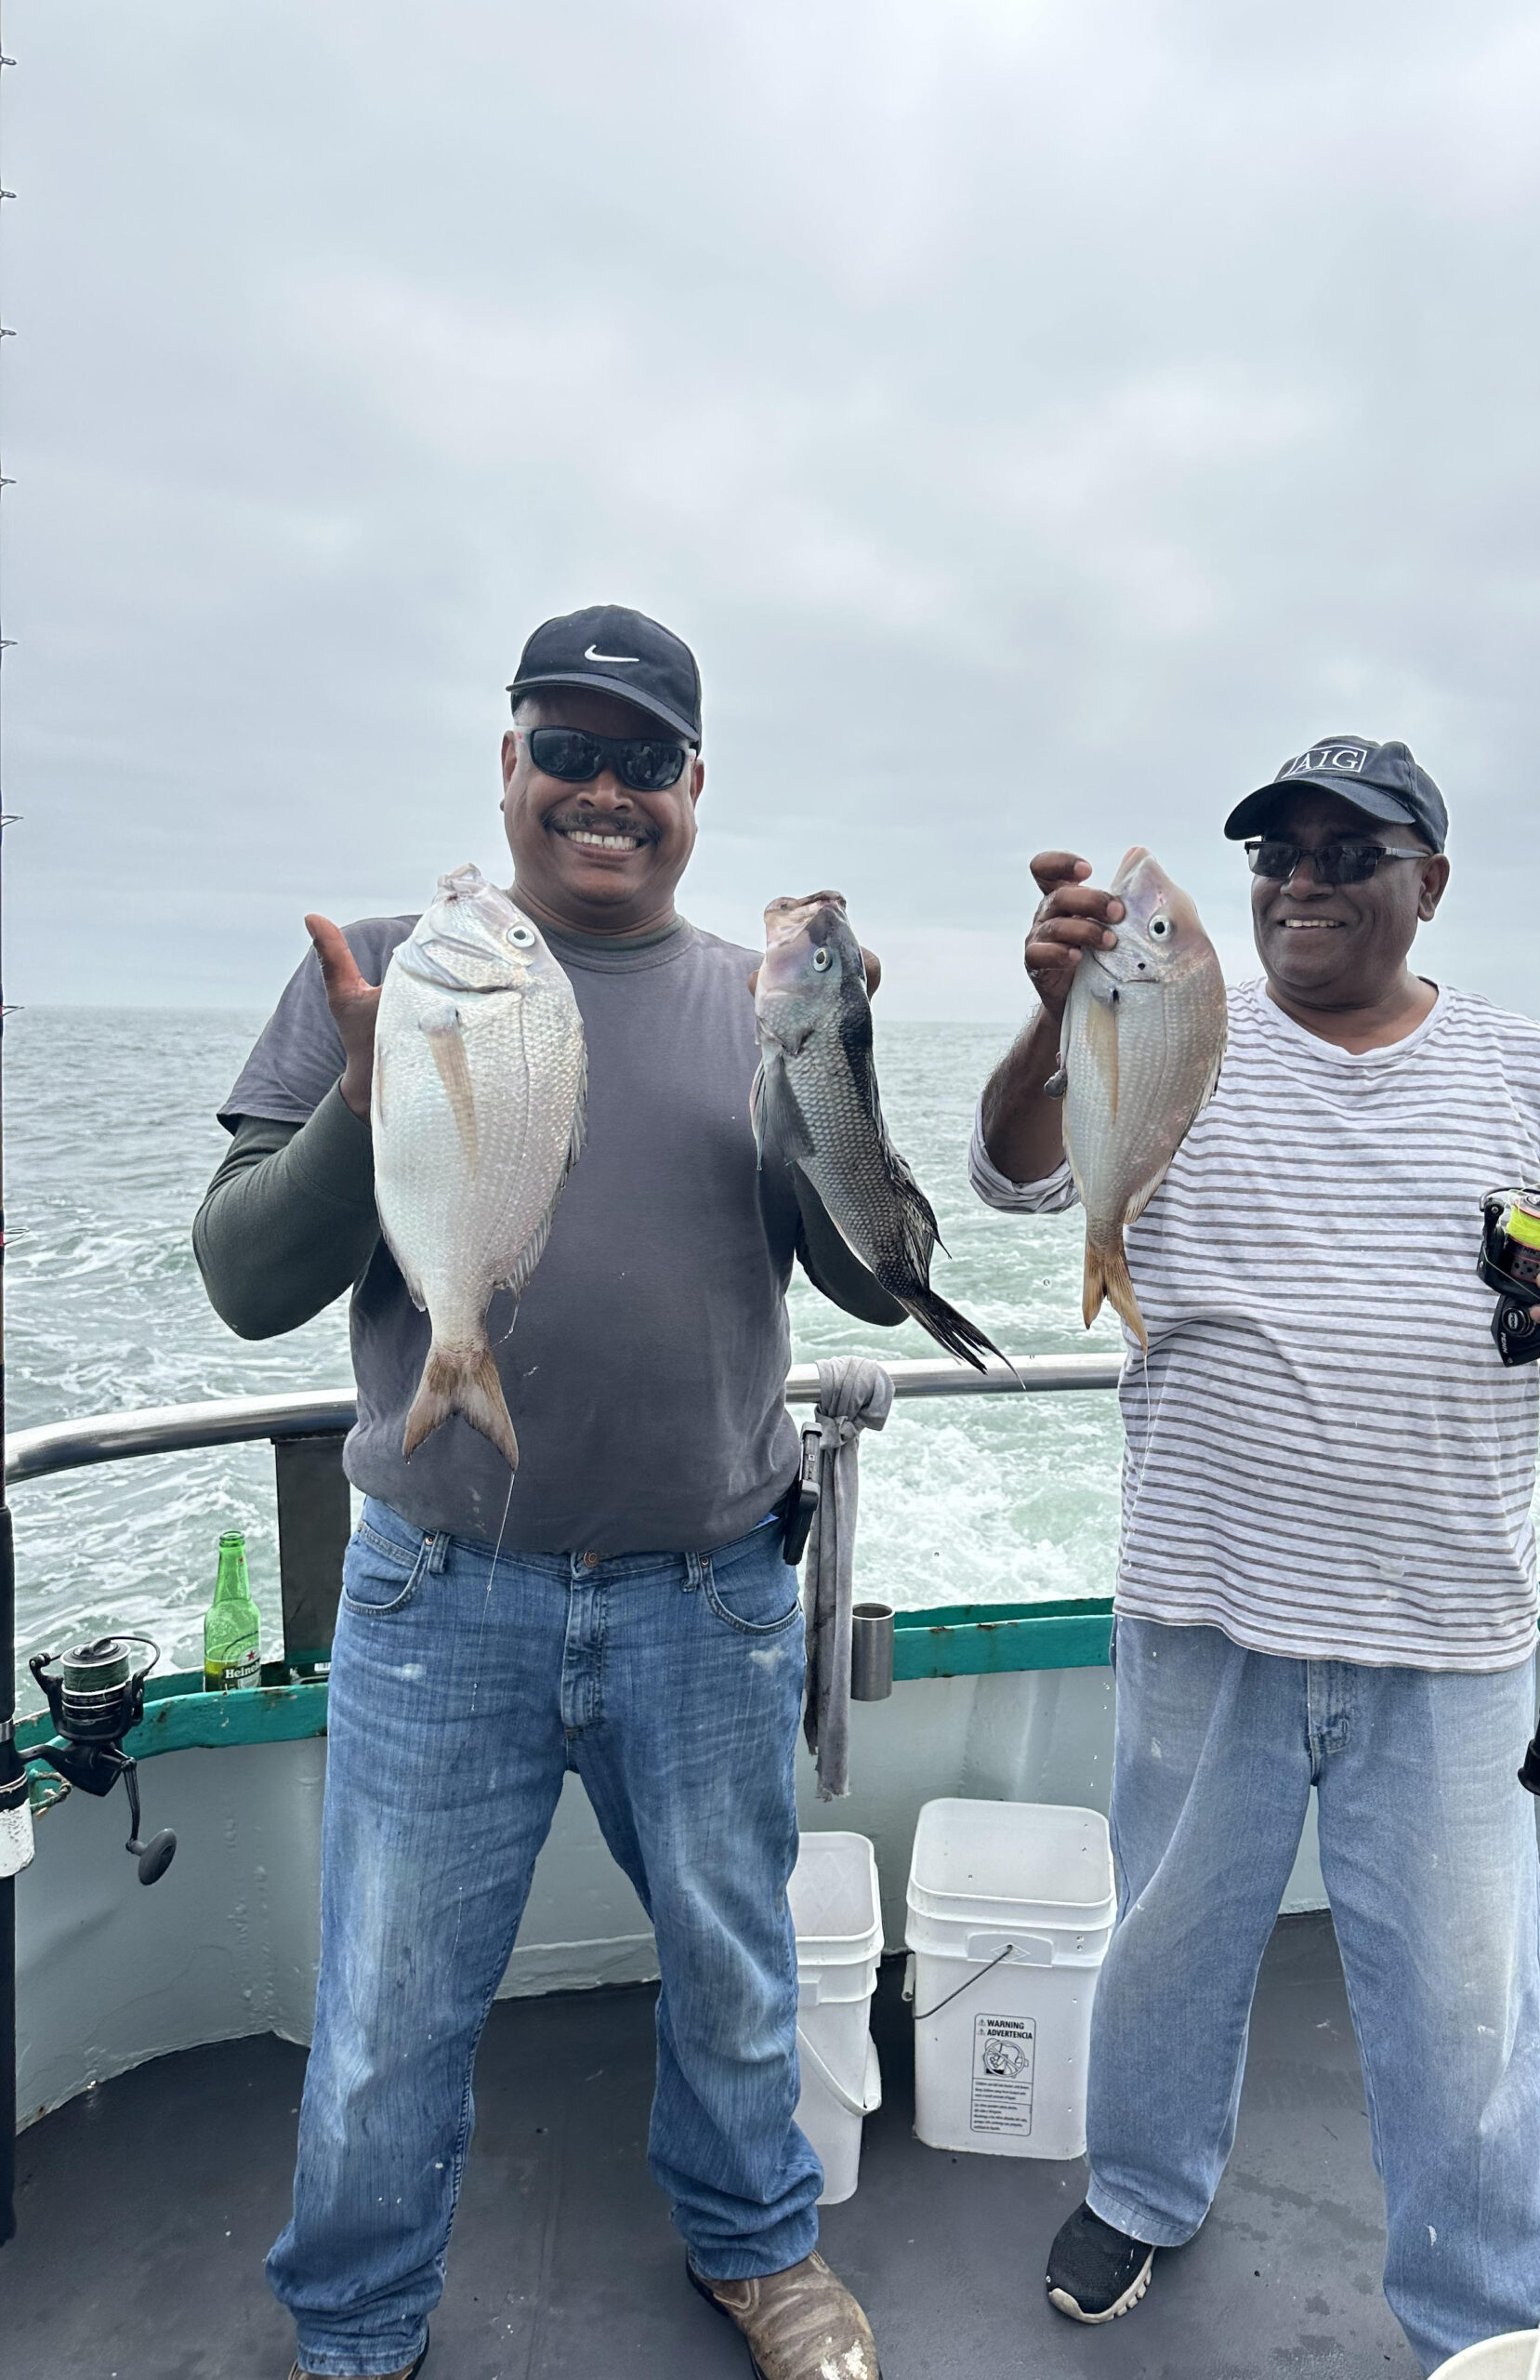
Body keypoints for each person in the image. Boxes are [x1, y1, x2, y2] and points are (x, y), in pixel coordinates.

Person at [193, 606, 884, 2380]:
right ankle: (354, 2323)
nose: (602, 789)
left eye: (644, 759)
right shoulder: (383, 962)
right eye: (563, 750)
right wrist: (364, 1095)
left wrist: (835, 1061)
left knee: (736, 1972)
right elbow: (245, 1284)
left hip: (711, 1587)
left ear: (696, 791)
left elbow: (876, 1283)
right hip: (440, 1589)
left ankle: (757, 2246)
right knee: (384, 2013)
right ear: (506, 765)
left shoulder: (760, 997)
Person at [971, 736, 1540, 2373]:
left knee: (1469, 2012)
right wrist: (1048, 1017)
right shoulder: (1173, 1026)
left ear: (1431, 883)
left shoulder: (1534, 1070)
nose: (1305, 882)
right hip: (1205, 1601)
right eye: (1279, 852)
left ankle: (1489, 2317)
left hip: (1450, 1623)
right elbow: (1011, 1176)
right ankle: (1139, 2187)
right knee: (1164, 1944)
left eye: (1354, 854)